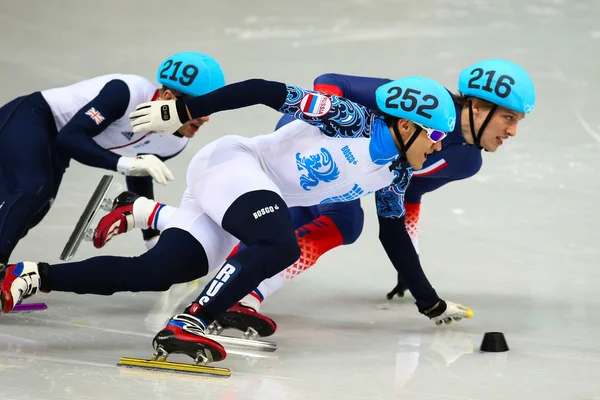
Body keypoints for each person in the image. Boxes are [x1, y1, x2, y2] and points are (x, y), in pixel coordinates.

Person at [0, 74, 458, 364]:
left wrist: (430, 302)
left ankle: (32, 276)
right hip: (236, 164)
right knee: (280, 244)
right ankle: (190, 321)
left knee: (159, 271)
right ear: (404, 123)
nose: (438, 146)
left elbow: (393, 233)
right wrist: (184, 110)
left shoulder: (397, 172)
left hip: (246, 190)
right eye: (435, 134)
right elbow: (261, 89)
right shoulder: (351, 118)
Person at [92, 59, 536, 334]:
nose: (513, 132)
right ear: (478, 108)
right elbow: (332, 80)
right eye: (509, 119)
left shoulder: (465, 161)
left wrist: (421, 286)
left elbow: (403, 210)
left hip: (351, 174)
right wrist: (316, 123)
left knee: (324, 224)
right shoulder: (415, 106)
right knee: (320, 223)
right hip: (313, 145)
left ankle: (151, 214)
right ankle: (240, 294)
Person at [0, 51, 225, 264]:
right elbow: (70, 138)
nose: (206, 118)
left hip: (56, 144)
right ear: (168, 97)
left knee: (33, 210)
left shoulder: (176, 140)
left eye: (211, 109)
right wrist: (125, 163)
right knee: (31, 190)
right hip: (32, 117)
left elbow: (140, 176)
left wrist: (152, 239)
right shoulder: (126, 93)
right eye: (199, 108)